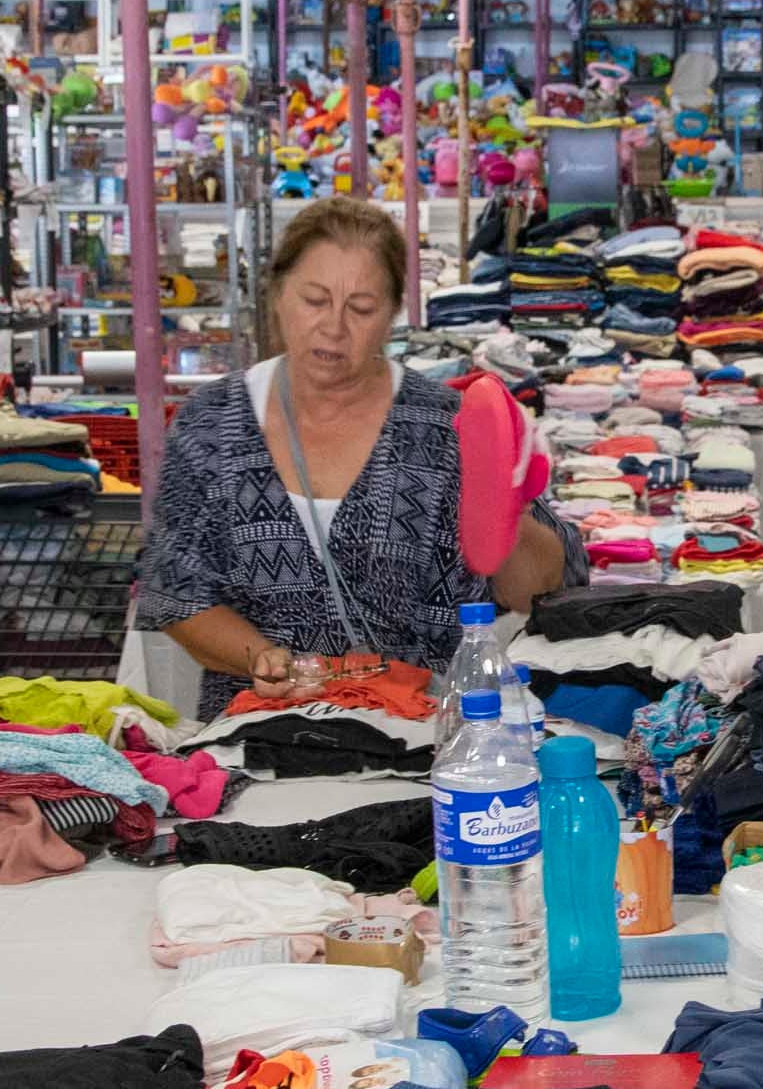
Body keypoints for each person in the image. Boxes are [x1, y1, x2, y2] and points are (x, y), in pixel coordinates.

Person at [139, 197, 569, 715]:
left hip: (423, 738)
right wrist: (267, 661)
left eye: (361, 308)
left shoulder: (447, 427)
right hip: (258, 741)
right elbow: (177, 592)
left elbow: (538, 593)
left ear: (392, 315)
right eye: (314, 300)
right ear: (277, 296)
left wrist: (509, 503)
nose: (334, 327)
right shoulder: (211, 423)